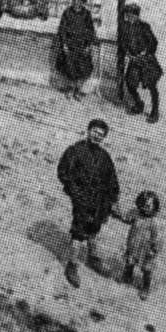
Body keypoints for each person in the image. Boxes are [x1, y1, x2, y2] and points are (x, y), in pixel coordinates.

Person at [55, 118, 119, 287]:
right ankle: (72, 264)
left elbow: (112, 179)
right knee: (78, 232)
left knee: (94, 229)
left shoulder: (104, 157)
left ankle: (93, 258)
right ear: (88, 130)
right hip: (81, 199)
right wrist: (75, 191)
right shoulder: (75, 151)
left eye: (101, 134)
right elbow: (63, 172)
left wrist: (113, 198)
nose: (97, 136)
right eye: (95, 132)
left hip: (99, 201)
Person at [119, 2, 163, 123]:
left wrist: (145, 52)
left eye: (133, 15)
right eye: (128, 14)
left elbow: (153, 42)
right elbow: (122, 43)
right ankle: (139, 104)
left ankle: (155, 112)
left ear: (137, 16)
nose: (130, 17)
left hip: (147, 61)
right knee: (130, 84)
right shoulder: (125, 27)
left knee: (152, 86)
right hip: (134, 60)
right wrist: (128, 53)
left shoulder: (144, 27)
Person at [116, 190, 162, 298]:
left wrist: (154, 249)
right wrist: (117, 213)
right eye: (144, 204)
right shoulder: (135, 213)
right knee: (129, 262)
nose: (146, 207)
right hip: (133, 245)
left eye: (149, 205)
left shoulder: (154, 222)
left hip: (146, 250)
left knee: (146, 269)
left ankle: (145, 287)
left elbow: (156, 238)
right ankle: (127, 276)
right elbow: (126, 219)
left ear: (154, 207)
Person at [53, 0, 98, 98]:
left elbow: (91, 31)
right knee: (69, 65)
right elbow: (62, 29)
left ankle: (77, 89)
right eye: (75, 0)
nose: (77, 2)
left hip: (82, 45)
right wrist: (64, 44)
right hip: (69, 45)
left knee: (83, 67)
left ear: (82, 2)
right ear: (72, 0)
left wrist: (89, 45)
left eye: (79, 0)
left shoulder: (86, 14)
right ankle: (70, 88)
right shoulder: (67, 12)